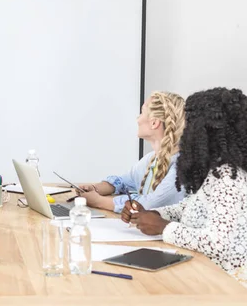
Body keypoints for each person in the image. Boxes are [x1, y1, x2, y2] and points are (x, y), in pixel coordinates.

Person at [123, 88, 247, 287]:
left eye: (189, 121)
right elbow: (189, 208)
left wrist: (163, 227)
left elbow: (217, 244)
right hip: (204, 272)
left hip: (225, 285)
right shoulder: (215, 168)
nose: (184, 127)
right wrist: (153, 214)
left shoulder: (228, 177)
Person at [77, 91, 186, 212]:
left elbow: (149, 204)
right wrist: (96, 188)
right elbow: (124, 182)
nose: (137, 119)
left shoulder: (181, 167)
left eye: (142, 113)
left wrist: (98, 201)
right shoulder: (152, 159)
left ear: (154, 123)